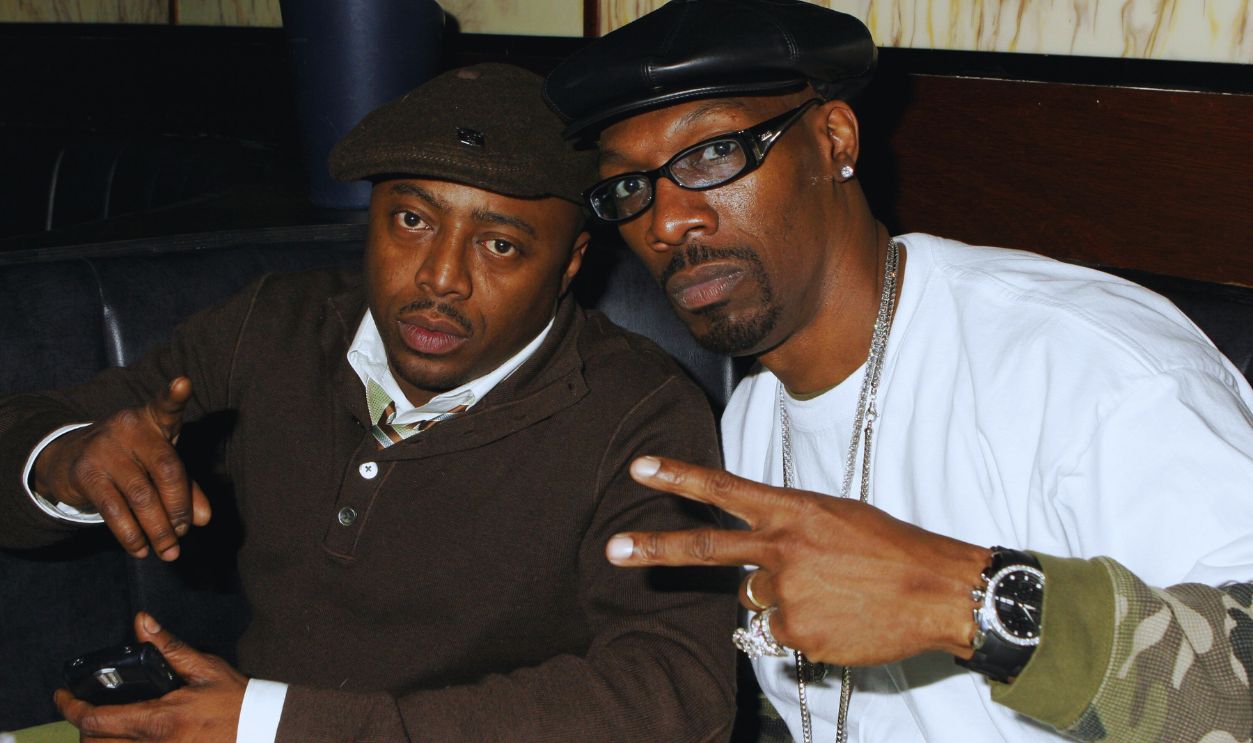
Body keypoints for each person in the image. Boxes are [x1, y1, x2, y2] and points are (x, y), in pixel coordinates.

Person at [542, 1, 1253, 741]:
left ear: (833, 140)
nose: (664, 221)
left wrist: (958, 600)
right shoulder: (754, 418)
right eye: (630, 188)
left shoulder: (1082, 361)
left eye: (713, 154)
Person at [0, 63, 737, 742]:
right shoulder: (275, 326)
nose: (440, 277)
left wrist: (277, 724)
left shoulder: (637, 410)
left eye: (500, 246)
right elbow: (25, 437)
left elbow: (677, 687)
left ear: (570, 263)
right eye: (412, 221)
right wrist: (64, 461)